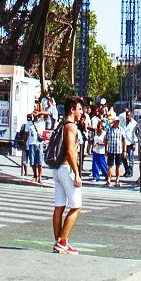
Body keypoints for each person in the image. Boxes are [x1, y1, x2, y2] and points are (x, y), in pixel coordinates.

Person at [50, 96, 87, 254]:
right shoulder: (71, 126)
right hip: (67, 169)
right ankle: (63, 241)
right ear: (72, 109)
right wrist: (77, 173)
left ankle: (58, 242)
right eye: (79, 109)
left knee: (59, 206)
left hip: (58, 169)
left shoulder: (62, 124)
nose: (82, 112)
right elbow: (71, 151)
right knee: (76, 206)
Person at [21, 111, 46, 184]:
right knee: (33, 162)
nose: (35, 116)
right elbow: (26, 134)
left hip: (39, 144)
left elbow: (47, 114)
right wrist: (24, 143)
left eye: (36, 115)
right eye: (34, 115)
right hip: (31, 144)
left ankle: (40, 177)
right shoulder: (28, 124)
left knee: (40, 162)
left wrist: (39, 113)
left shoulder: (41, 121)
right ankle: (35, 176)